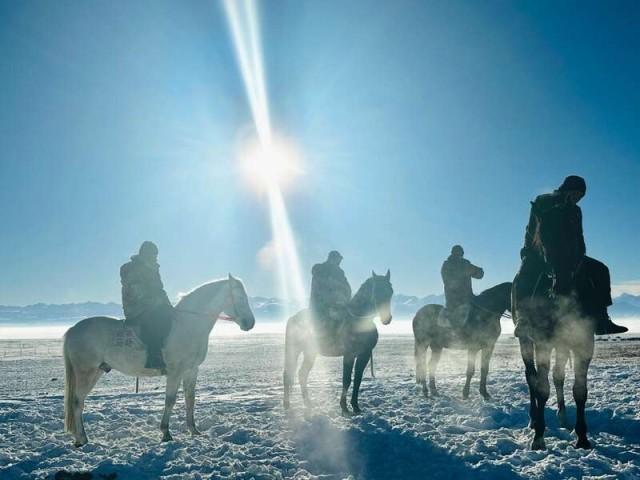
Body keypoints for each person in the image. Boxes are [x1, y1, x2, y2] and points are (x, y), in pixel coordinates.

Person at [514, 175, 627, 336]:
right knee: (524, 276)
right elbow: (532, 229)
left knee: (601, 269)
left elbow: (579, 236)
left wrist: (580, 255)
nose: (578, 199)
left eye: (581, 197)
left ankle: (602, 317)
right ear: (567, 190)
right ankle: (523, 319)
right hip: (540, 253)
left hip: (570, 255)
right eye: (576, 194)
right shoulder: (544, 200)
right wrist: (527, 252)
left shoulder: (576, 210)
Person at [120, 241, 174, 370]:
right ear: (144, 253)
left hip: (152, 305)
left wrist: (168, 305)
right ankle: (153, 356)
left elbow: (160, 290)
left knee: (169, 315)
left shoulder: (153, 269)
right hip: (136, 306)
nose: (155, 257)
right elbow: (133, 288)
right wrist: (154, 300)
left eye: (156, 255)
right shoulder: (131, 268)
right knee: (157, 319)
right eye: (152, 254)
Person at [309, 251, 352, 345]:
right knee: (332, 316)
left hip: (339, 302)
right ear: (331, 258)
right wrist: (335, 287)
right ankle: (327, 340)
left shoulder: (340, 272)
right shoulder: (319, 268)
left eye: (340, 260)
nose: (339, 262)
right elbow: (321, 284)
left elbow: (346, 286)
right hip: (321, 303)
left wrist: (347, 296)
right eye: (338, 259)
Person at [439, 245, 484, 330]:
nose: (459, 255)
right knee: (455, 317)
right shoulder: (447, 265)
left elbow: (479, 274)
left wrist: (479, 271)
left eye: (460, 253)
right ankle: (454, 334)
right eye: (457, 253)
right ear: (453, 253)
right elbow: (447, 280)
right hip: (453, 298)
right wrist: (462, 274)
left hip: (469, 297)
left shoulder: (465, 263)